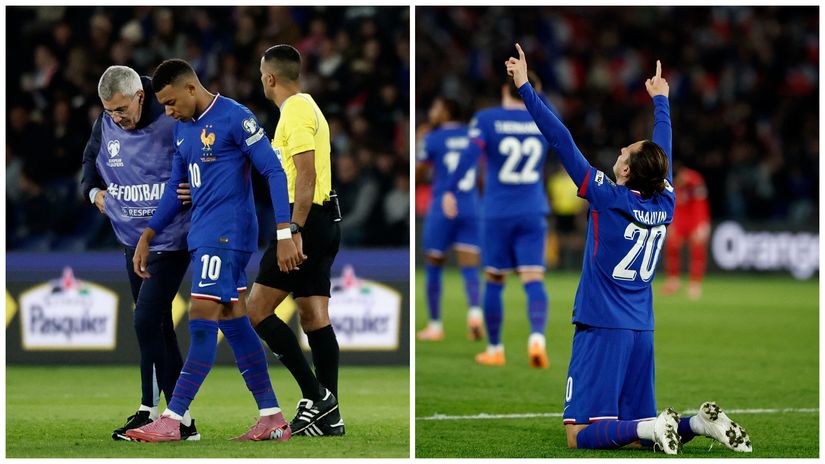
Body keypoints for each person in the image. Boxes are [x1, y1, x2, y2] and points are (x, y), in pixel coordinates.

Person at [507, 44, 751, 454]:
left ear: (625, 170)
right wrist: (661, 103)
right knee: (636, 431)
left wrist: (526, 89)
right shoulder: (667, 200)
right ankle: (700, 424)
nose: (620, 151)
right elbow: (663, 155)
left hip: (602, 325)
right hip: (642, 327)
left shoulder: (607, 196)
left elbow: (561, 139)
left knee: (578, 434)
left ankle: (658, 428)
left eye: (624, 152)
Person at [125, 58, 301, 442]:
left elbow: (273, 171)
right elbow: (176, 187)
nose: (168, 111)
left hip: (228, 234)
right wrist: (149, 233)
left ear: (191, 88)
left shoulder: (235, 117)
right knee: (235, 325)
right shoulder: (182, 131)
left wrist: (285, 231)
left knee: (201, 314)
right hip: (203, 235)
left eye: (171, 102)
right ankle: (272, 416)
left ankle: (174, 417)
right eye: (164, 106)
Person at [80, 65, 198, 441]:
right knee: (157, 324)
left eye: (121, 109)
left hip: (172, 237)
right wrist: (95, 194)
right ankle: (163, 414)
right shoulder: (106, 125)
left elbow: (208, 156)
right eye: (109, 110)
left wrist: (198, 188)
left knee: (146, 321)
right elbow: (89, 167)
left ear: (140, 96)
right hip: (132, 238)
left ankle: (173, 417)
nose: (117, 117)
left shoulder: (171, 113)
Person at [246, 44, 344, 437]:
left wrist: (292, 230)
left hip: (304, 222)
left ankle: (317, 395)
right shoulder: (304, 108)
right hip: (321, 221)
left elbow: (305, 175)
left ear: (269, 77)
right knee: (313, 316)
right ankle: (331, 415)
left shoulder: (297, 110)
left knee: (256, 309)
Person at [442, 74, 552, 368]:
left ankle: (495, 348)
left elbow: (469, 156)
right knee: (533, 278)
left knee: (494, 278)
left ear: (505, 88)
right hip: (533, 209)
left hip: (497, 212)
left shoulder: (487, 119)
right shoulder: (543, 118)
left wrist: (450, 190)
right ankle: (537, 339)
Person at [416, 96, 484, 342]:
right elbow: (482, 171)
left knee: (434, 264)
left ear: (446, 111)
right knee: (469, 266)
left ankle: (435, 325)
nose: (432, 111)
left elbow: (419, 171)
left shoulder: (432, 138)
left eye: (435, 107)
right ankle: (475, 315)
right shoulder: (473, 135)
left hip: (442, 206)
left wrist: (417, 145)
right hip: (470, 205)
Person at [662, 162, 711, 300]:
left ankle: (695, 284)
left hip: (694, 219)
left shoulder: (695, 180)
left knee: (697, 250)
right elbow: (672, 204)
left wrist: (701, 224)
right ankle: (673, 281)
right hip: (679, 219)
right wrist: (671, 223)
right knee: (672, 247)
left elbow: (701, 203)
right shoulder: (669, 182)